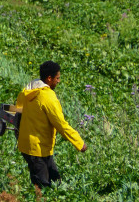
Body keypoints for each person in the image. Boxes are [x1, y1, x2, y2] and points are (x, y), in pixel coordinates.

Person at [17, 61, 87, 190]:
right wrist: (78, 142)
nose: (58, 81)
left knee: (55, 180)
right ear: (49, 78)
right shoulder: (48, 97)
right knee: (43, 186)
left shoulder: (27, 90)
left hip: (31, 145)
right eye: (57, 78)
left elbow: (18, 109)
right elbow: (60, 124)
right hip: (37, 148)